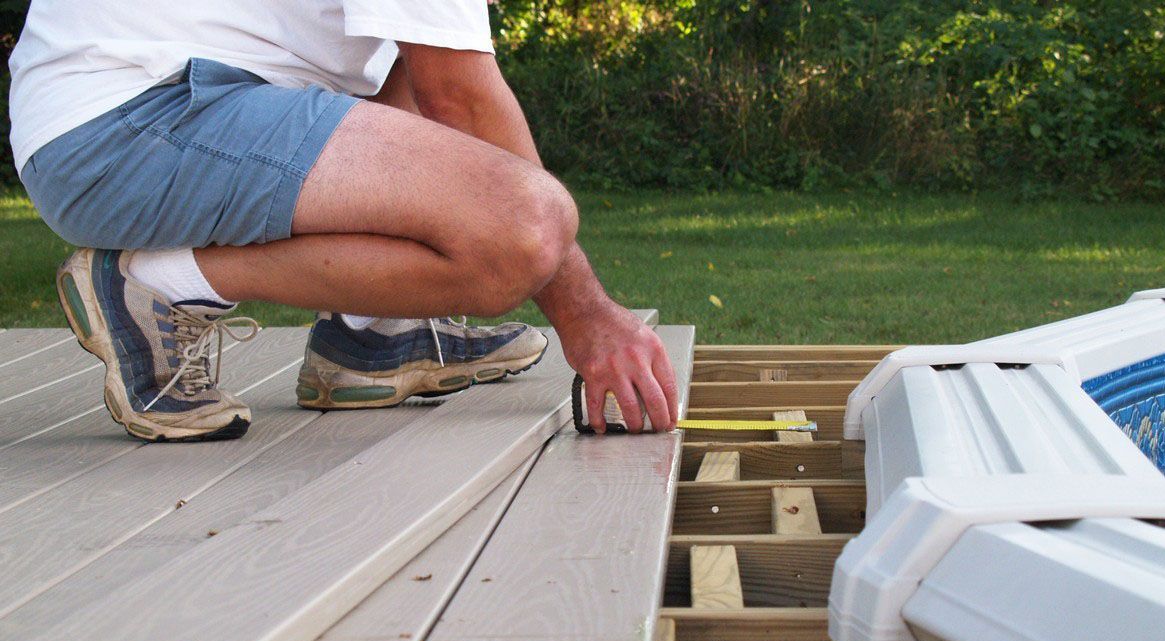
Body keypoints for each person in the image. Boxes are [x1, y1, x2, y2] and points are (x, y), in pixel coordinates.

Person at [8, 0, 679, 441]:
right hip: (126, 125)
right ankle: (158, 283)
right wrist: (585, 313)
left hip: (135, 106)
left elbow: (427, 79)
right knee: (521, 231)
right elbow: (462, 101)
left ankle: (373, 336)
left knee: (403, 62)